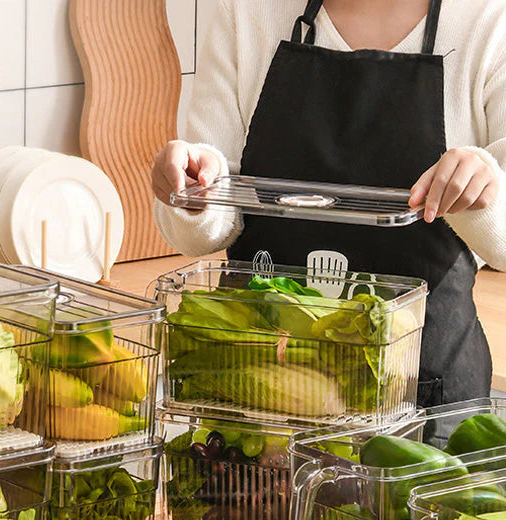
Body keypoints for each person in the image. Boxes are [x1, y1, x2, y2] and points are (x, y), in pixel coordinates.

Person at [152, 0, 506, 407]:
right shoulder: (245, 11)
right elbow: (202, 221)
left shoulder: (489, 23)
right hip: (259, 386)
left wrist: (484, 190)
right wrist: (196, 191)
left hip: (420, 397)